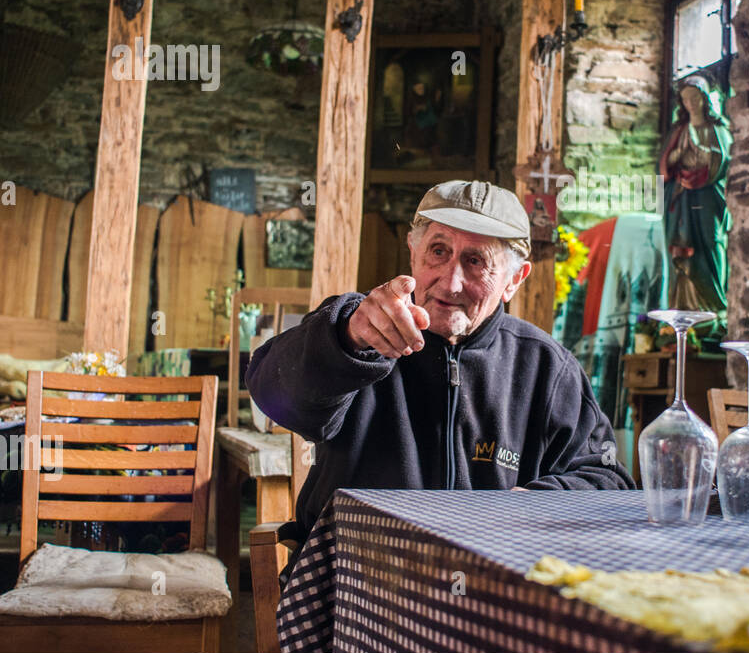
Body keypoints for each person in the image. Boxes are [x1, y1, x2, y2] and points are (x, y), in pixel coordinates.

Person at [246, 180, 634, 545]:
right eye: (438, 251)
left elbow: (607, 479)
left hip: (492, 587)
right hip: (363, 583)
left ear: (515, 279)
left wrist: (533, 503)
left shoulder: (546, 367)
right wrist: (347, 340)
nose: (450, 283)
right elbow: (271, 392)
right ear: (413, 253)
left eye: (476, 260)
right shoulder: (359, 331)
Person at [659, 76, 732, 341]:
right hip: (681, 201)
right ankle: (683, 313)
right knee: (682, 255)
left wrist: (704, 152)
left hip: (708, 199)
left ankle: (714, 309)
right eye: (686, 98)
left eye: (695, 97)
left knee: (710, 247)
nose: (690, 103)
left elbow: (721, 159)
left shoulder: (718, 129)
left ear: (705, 99)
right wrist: (677, 157)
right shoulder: (678, 131)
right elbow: (665, 167)